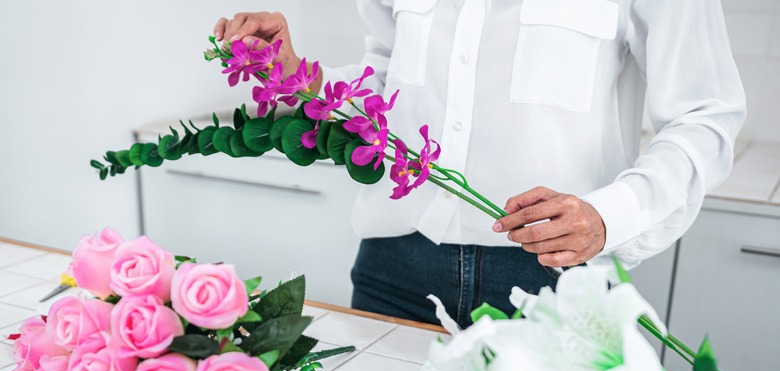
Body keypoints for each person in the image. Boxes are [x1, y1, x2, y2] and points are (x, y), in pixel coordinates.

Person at [213, 0, 745, 327]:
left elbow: (706, 113)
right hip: (394, 270)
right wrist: (297, 74)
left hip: (552, 284)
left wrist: (610, 216)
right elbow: (388, 81)